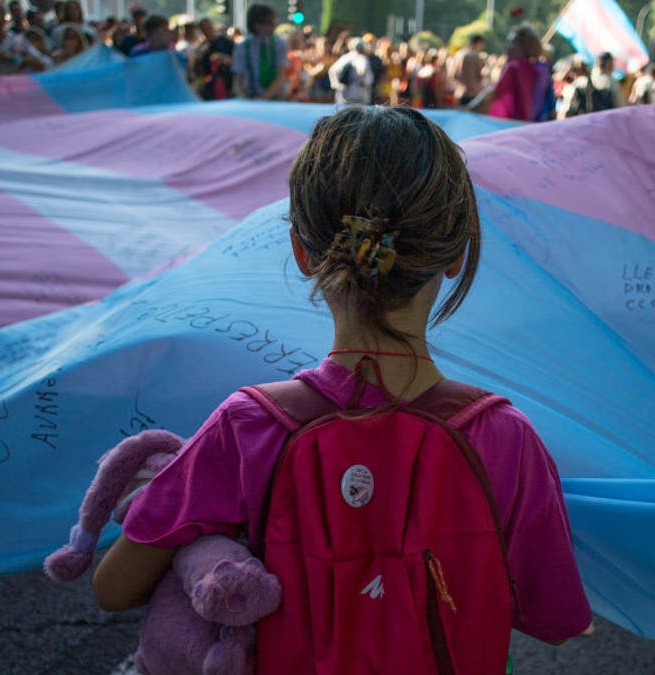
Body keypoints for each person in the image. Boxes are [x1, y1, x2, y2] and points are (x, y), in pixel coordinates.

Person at [93, 106, 593, 669]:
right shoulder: (505, 439)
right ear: (454, 256)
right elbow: (557, 619)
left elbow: (114, 587)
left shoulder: (248, 426)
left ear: (304, 253)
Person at [476, 25, 553, 121]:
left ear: (522, 47)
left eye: (511, 43)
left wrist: (469, 108)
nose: (506, 48)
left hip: (508, 125)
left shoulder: (514, 67)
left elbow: (492, 94)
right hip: (526, 126)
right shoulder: (537, 71)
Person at [231, 3, 287, 100]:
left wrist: (263, 98)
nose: (274, 25)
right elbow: (237, 80)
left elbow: (281, 76)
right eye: (269, 22)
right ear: (256, 25)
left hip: (276, 98)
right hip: (250, 97)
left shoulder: (280, 44)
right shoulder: (242, 47)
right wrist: (243, 98)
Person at [328, 36, 373, 105]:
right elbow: (363, 72)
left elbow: (332, 70)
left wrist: (337, 84)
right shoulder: (362, 58)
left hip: (343, 92)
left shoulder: (344, 58)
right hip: (358, 92)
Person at [451, 33, 486, 106]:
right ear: (478, 43)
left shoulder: (458, 54)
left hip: (459, 92)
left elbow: (453, 74)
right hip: (472, 93)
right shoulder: (476, 57)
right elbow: (479, 76)